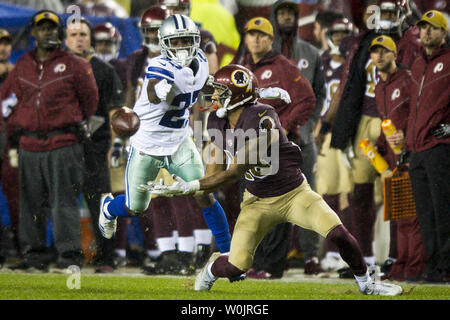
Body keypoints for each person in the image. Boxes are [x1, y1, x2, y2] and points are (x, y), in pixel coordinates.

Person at [147, 63, 403, 296]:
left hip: (294, 194)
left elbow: (236, 171)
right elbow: (215, 170)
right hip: (256, 201)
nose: (214, 97)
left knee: (339, 234)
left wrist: (191, 185)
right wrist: (195, 187)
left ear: (236, 97)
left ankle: (367, 284)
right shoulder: (217, 120)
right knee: (237, 266)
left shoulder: (263, 115)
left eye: (220, 92)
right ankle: (211, 268)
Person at [98, 15, 234, 272]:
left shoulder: (202, 60)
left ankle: (228, 254)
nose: (182, 46)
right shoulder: (158, 65)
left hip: (180, 141)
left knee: (204, 193)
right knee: (136, 207)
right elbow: (153, 86)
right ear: (164, 43)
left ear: (196, 41)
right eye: (176, 41)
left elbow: (203, 84)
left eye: (187, 41)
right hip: (148, 145)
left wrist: (219, 93)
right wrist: (159, 90)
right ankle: (108, 207)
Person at [1, 10, 98, 271]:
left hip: (63, 142)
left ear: (59, 32)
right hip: (29, 144)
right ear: (33, 32)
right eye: (42, 28)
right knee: (30, 203)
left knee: (64, 202)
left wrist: (68, 121)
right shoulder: (22, 65)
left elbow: (90, 101)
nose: (48, 33)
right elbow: (13, 100)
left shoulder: (75, 64)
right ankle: (34, 255)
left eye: (52, 28)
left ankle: (68, 257)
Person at [231, 16, 317, 278]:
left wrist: (282, 126)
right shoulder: (242, 67)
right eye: (251, 34)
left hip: (275, 149)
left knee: (277, 203)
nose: (256, 39)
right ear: (245, 39)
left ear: (271, 40)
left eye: (262, 35)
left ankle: (272, 266)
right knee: (254, 204)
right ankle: (256, 262)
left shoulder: (284, 67)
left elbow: (307, 99)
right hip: (248, 148)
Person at [270, 0, 327, 275]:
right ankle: (274, 257)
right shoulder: (263, 52)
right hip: (269, 139)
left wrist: (310, 125)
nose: (286, 18)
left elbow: (320, 95)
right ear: (274, 16)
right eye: (281, 13)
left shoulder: (312, 52)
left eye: (290, 13)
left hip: (302, 137)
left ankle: (311, 256)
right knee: (272, 197)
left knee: (309, 196)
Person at [64, 17, 125, 273]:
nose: (79, 39)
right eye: (74, 34)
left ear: (90, 39)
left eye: (83, 34)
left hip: (96, 148)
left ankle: (106, 258)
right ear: (65, 39)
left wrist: (116, 146)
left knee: (100, 203)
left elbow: (114, 113)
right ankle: (64, 257)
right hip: (62, 146)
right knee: (61, 203)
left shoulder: (104, 70)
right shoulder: (58, 68)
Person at [369, 35, 426, 282]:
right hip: (394, 159)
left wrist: (408, 135)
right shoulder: (378, 88)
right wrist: (379, 149)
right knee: (401, 215)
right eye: (375, 52)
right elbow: (386, 123)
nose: (379, 56)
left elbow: (419, 110)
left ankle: (415, 266)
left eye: (384, 51)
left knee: (412, 216)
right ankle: (402, 262)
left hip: (412, 153)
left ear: (395, 55)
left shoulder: (407, 78)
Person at [405, 10, 449, 283]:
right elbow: (414, 109)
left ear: (444, 33)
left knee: (444, 210)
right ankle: (433, 267)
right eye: (423, 28)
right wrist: (407, 145)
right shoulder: (417, 64)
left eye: (433, 28)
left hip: (440, 147)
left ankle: (446, 268)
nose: (427, 32)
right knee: (425, 213)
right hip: (417, 149)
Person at [315, 18, 357, 272]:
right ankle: (333, 249)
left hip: (349, 132)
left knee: (349, 194)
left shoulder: (357, 62)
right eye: (336, 34)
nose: (340, 38)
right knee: (328, 192)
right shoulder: (319, 62)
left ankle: (355, 250)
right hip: (326, 133)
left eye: (345, 34)